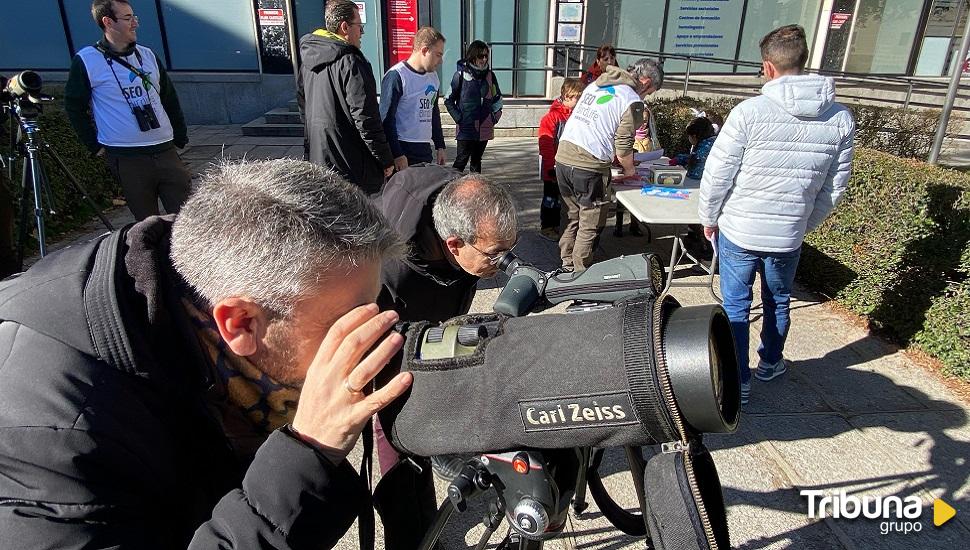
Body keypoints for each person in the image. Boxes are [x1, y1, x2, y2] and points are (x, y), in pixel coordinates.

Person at [0, 158, 415, 549]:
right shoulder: (56, 443)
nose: (368, 341)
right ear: (240, 323)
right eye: (344, 325)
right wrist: (309, 453)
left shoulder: (194, 269)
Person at [698, 24, 855, 406]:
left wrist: (709, 217)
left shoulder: (748, 112)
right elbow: (833, 189)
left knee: (735, 304)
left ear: (767, 67)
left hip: (740, 228)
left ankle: (739, 379)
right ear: (803, 60)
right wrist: (802, 223)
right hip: (788, 235)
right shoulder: (840, 119)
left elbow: (718, 174)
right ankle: (770, 362)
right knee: (778, 300)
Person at [65, 0, 191, 221]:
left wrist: (179, 136)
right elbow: (74, 107)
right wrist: (94, 146)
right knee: (147, 225)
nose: (135, 23)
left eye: (134, 17)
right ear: (107, 22)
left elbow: (168, 98)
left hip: (165, 150)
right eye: (127, 18)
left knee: (187, 218)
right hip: (127, 157)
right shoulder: (87, 60)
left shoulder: (148, 55)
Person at [556, 58, 664, 271]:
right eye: (650, 91)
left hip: (563, 155)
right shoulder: (632, 100)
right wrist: (630, 170)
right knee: (590, 221)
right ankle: (580, 272)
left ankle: (566, 262)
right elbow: (624, 145)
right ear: (646, 81)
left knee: (571, 215)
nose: (647, 96)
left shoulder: (599, 83)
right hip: (588, 164)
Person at [298, 0, 394, 196]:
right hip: (352, 166)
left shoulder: (307, 62)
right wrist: (385, 160)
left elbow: (304, 109)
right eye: (359, 26)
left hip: (319, 159)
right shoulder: (352, 62)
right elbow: (366, 120)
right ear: (344, 27)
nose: (362, 33)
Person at [380, 27, 448, 170]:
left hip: (424, 148)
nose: (441, 61)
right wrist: (397, 154)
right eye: (438, 55)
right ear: (424, 50)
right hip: (403, 148)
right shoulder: (397, 76)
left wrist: (440, 145)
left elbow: (433, 112)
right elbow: (386, 119)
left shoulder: (433, 77)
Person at [444, 40, 504, 173]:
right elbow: (448, 99)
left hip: (484, 128)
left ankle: (475, 191)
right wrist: (459, 118)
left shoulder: (490, 76)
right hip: (466, 128)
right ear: (472, 56)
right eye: (480, 56)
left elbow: (498, 99)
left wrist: (493, 118)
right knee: (461, 161)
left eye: (485, 56)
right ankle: (451, 190)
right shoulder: (460, 75)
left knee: (477, 161)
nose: (483, 59)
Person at [537, 77, 583, 240]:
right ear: (567, 96)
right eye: (577, 98)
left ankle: (558, 225)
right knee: (550, 198)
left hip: (568, 165)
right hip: (553, 165)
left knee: (564, 198)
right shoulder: (552, 118)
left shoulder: (577, 117)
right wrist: (551, 167)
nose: (579, 101)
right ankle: (547, 226)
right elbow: (546, 143)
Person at [671, 115, 718, 180]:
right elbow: (697, 158)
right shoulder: (712, 143)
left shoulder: (703, 149)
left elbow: (695, 173)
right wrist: (680, 159)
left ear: (694, 136)